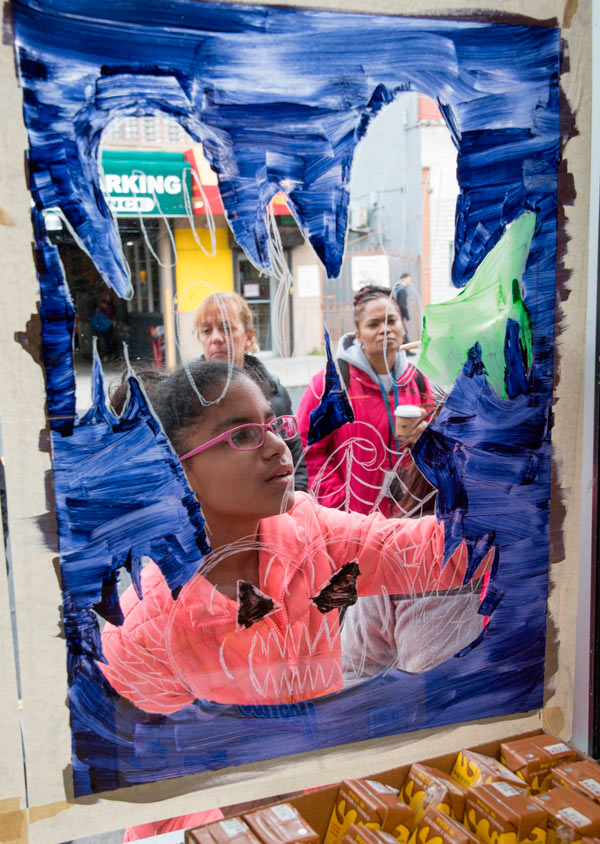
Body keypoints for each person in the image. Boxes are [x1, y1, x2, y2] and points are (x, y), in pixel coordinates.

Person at [101, 359, 492, 713]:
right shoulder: (141, 635)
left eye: (271, 426)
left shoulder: (305, 531)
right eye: (241, 436)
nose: (277, 447)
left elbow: (424, 552)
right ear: (176, 473)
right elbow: (164, 770)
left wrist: (513, 502)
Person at [296, 285, 435, 518]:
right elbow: (309, 449)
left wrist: (426, 438)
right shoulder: (332, 383)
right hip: (355, 526)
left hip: (410, 520)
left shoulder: (418, 382)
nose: (385, 330)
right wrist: (342, 504)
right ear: (358, 335)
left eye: (392, 321)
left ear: (403, 327)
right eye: (373, 324)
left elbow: (439, 448)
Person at [194, 292, 308, 492]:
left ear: (249, 336)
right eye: (206, 330)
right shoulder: (185, 400)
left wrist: (284, 515)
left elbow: (296, 470)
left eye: (226, 328)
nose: (216, 338)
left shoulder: (275, 395)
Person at [393, 272, 412, 349]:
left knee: (402, 332)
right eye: (409, 280)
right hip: (399, 314)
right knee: (403, 332)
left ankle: (406, 350)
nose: (409, 282)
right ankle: (406, 350)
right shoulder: (402, 290)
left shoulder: (396, 288)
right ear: (405, 280)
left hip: (395, 313)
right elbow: (403, 305)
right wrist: (407, 317)